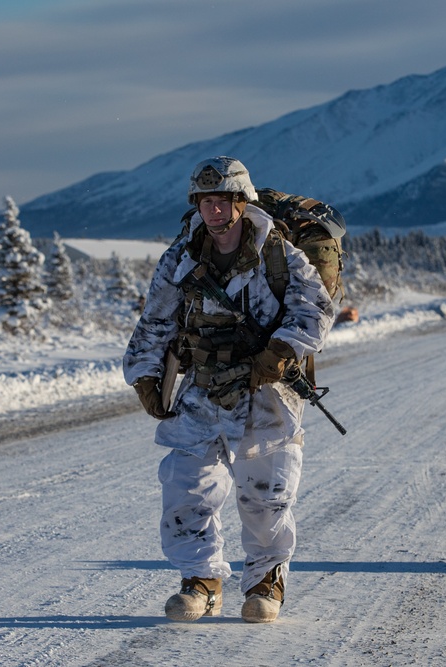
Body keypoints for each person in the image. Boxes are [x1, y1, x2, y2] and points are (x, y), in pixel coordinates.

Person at [123, 156, 336, 623]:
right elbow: (156, 320)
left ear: (243, 202)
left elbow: (315, 309)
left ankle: (265, 581)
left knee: (265, 495)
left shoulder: (278, 253)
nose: (214, 211)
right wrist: (144, 374)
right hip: (200, 389)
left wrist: (277, 353)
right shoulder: (181, 257)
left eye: (223, 201)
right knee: (185, 488)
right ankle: (200, 579)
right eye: (206, 202)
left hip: (265, 392)